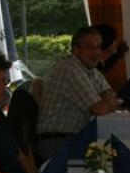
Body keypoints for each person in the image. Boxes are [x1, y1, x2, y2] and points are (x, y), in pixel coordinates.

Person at [36, 26, 117, 160]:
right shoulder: (70, 69)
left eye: (98, 47)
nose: (96, 52)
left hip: (72, 139)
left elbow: (110, 93)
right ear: (76, 50)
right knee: (114, 157)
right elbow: (100, 109)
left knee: (115, 153)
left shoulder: (89, 69)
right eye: (90, 47)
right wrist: (107, 102)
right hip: (56, 143)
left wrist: (106, 100)